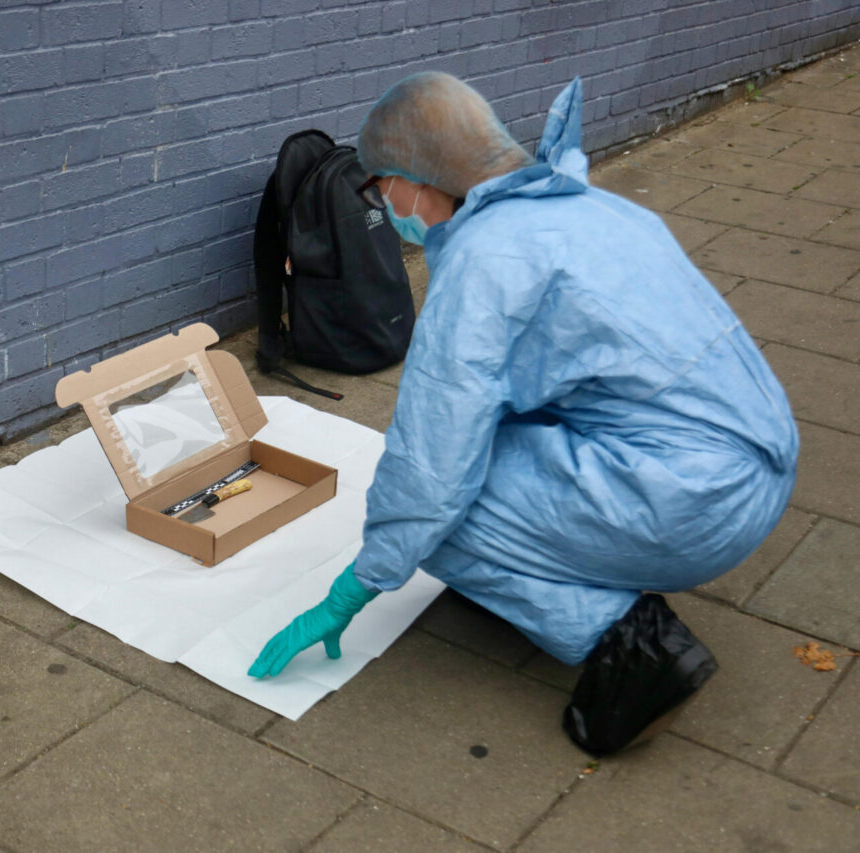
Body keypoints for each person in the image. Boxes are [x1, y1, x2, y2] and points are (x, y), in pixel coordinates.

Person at [247, 73, 798, 755]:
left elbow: (430, 471)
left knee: (442, 517)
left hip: (691, 503)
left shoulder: (486, 260)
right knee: (479, 450)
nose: (382, 206)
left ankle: (630, 643)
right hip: (755, 460)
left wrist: (353, 590)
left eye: (377, 187)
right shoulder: (588, 207)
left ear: (417, 180)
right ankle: (554, 560)